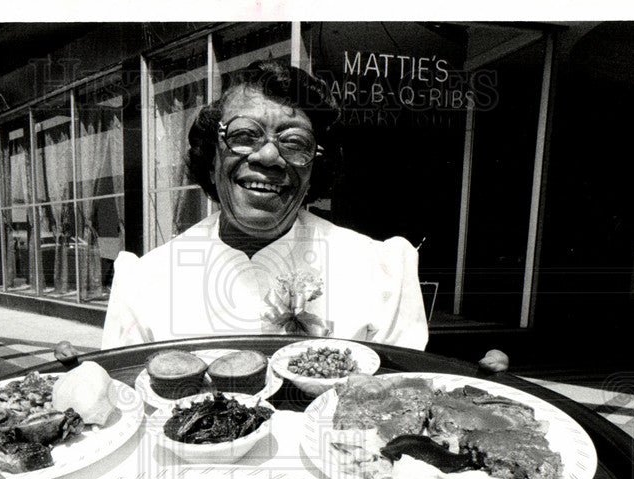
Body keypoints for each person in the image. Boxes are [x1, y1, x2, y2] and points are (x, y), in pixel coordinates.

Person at [100, 60, 429, 352]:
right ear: (212, 160)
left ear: (314, 172)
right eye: (244, 136)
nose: (269, 157)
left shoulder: (380, 271)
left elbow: (409, 396)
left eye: (295, 143)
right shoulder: (144, 282)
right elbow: (116, 402)